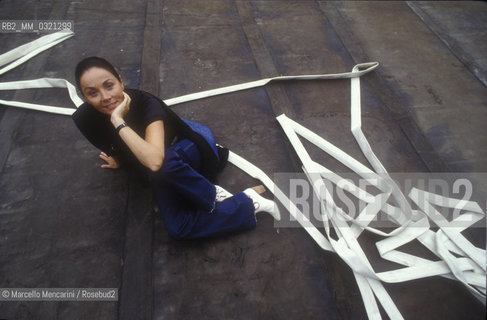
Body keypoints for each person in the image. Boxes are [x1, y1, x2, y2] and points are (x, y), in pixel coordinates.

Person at [72, 56, 280, 240]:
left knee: (164, 163)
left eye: (109, 85)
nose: (105, 97)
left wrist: (117, 120)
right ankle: (248, 203)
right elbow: (113, 146)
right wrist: (117, 159)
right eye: (93, 93)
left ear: (120, 80)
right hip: (160, 162)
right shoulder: (84, 119)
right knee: (178, 228)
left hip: (190, 141)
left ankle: (210, 194)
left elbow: (154, 160)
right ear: (83, 96)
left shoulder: (146, 103)